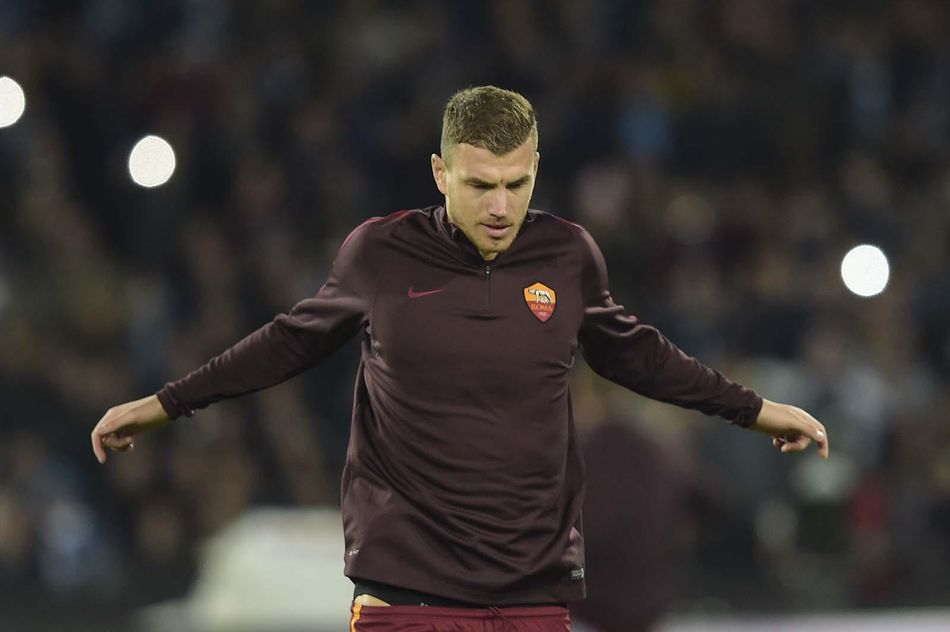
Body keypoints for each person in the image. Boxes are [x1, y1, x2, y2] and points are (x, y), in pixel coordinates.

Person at [91, 86, 829, 632]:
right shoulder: (380, 254)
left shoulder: (567, 255)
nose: (501, 207)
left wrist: (754, 410)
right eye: (480, 186)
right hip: (407, 594)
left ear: (535, 168)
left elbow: (640, 356)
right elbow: (288, 342)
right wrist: (168, 404)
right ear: (441, 173)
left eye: (517, 184)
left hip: (533, 595)